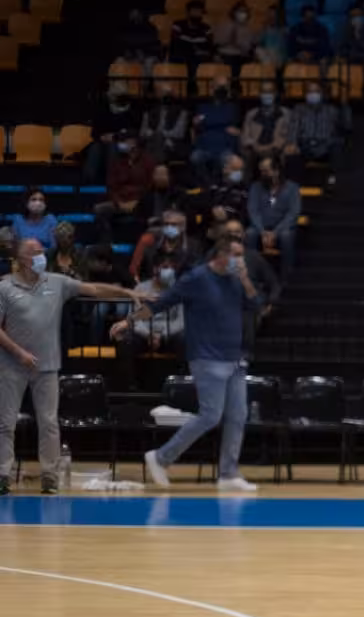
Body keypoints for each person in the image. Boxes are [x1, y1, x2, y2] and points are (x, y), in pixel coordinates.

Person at [0, 240, 149, 495]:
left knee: (49, 422)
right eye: (35, 253)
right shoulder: (4, 287)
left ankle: (50, 477)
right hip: (11, 365)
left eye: (42, 252)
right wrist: (19, 352)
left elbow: (93, 289)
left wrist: (128, 293)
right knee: (5, 422)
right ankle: (2, 475)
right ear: (22, 259)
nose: (41, 256)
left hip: (47, 366)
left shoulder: (56, 282)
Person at [121, 238, 262, 492]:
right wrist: (129, 321)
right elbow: (161, 303)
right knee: (210, 415)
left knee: (238, 416)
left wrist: (244, 279)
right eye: (235, 255)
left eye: (241, 256)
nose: (240, 261)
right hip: (207, 357)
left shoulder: (235, 279)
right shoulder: (196, 278)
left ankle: (228, 473)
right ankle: (161, 457)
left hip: (235, 358)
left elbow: (255, 304)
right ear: (220, 255)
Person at [96, 131, 156, 246]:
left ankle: (140, 244)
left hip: (140, 203)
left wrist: (138, 202)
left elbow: (150, 186)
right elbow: (111, 186)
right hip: (120, 201)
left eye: (124, 141)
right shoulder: (116, 161)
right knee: (99, 210)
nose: (121, 144)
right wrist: (118, 202)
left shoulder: (148, 161)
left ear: (134, 143)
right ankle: (106, 243)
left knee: (147, 211)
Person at [247, 156, 301, 281]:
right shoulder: (256, 187)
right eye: (261, 171)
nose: (262, 174)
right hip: (261, 227)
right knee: (250, 233)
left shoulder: (292, 188)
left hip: (283, 227)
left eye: (266, 171)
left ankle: (286, 275)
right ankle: (252, 273)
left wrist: (275, 233)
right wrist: (262, 231)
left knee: (286, 236)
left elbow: (293, 213)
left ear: (277, 171)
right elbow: (253, 211)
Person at [284, 83, 344, 185]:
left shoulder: (331, 110)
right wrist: (292, 142)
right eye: (310, 92)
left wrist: (344, 105)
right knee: (291, 151)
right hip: (305, 146)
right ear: (305, 94)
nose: (313, 94)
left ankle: (332, 180)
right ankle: (293, 185)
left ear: (321, 94)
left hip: (325, 146)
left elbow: (343, 128)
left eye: (316, 92)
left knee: (337, 145)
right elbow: (293, 127)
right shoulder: (299, 109)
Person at [130, 208, 199, 284]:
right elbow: (136, 269)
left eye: (174, 224)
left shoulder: (193, 246)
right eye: (166, 224)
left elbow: (195, 271)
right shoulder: (150, 241)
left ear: (183, 227)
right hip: (152, 285)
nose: (169, 227)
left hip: (180, 285)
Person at [241, 83, 288, 165]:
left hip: (275, 149)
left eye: (270, 92)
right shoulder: (251, 114)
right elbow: (245, 135)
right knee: (246, 154)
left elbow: (285, 135)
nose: (267, 95)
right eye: (264, 92)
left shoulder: (285, 113)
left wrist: (269, 148)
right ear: (260, 94)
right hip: (255, 149)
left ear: (275, 94)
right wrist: (255, 146)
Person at [202, 154, 250, 229]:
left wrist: (228, 215)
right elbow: (205, 203)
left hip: (234, 224)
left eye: (241, 170)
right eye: (235, 170)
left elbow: (245, 213)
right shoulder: (215, 185)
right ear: (225, 169)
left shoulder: (244, 189)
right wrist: (213, 210)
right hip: (212, 220)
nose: (239, 173)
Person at [140, 92, 189, 166]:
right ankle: (159, 169)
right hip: (152, 141)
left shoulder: (181, 113)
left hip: (172, 142)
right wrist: (154, 134)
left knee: (158, 140)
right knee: (155, 141)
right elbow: (142, 133)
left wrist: (160, 134)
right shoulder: (151, 112)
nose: (165, 108)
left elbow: (179, 134)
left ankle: (155, 169)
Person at [169, 0, 215, 77]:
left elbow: (209, 44)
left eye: (199, 12)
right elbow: (176, 42)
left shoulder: (206, 28)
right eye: (194, 11)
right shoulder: (178, 25)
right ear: (188, 12)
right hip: (181, 55)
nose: (197, 14)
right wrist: (193, 48)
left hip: (199, 57)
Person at [214, 1, 258, 73]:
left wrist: (240, 45)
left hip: (241, 57)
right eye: (240, 11)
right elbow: (216, 44)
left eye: (244, 11)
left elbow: (250, 47)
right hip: (225, 55)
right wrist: (229, 40)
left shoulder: (249, 30)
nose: (242, 14)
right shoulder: (224, 26)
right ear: (234, 12)